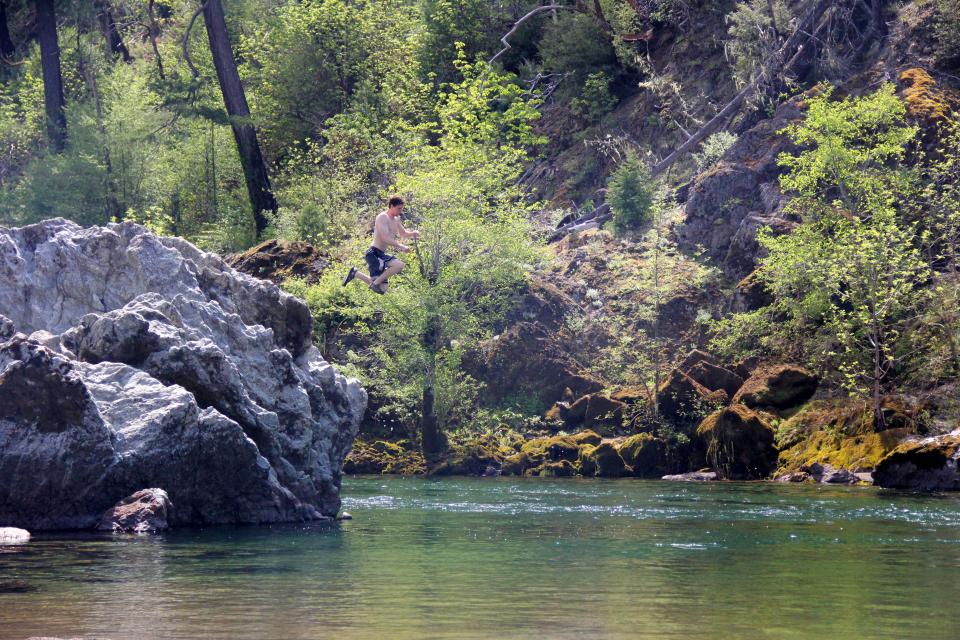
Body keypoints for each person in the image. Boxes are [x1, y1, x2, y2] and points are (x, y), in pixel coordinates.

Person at [342, 195, 420, 294]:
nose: (400, 211)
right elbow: (385, 238)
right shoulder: (383, 217)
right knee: (399, 265)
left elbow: (403, 233)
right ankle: (373, 282)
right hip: (374, 254)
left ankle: (355, 273)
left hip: (381, 254)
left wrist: (413, 233)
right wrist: (401, 246)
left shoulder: (396, 219)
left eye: (402, 209)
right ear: (391, 206)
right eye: (399, 208)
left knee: (382, 289)